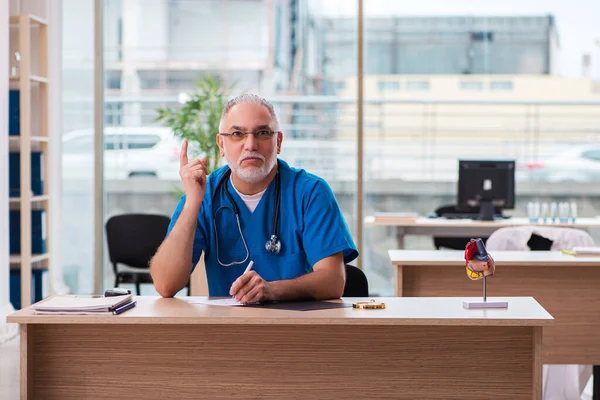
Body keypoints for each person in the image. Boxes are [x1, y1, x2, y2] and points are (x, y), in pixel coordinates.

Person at [150, 93, 358, 303]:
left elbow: (333, 280)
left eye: (262, 133)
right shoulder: (205, 195)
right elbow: (166, 284)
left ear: (278, 142)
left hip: (297, 329)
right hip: (228, 329)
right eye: (237, 134)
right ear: (221, 144)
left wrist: (273, 290)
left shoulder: (310, 192)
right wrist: (192, 204)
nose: (250, 144)